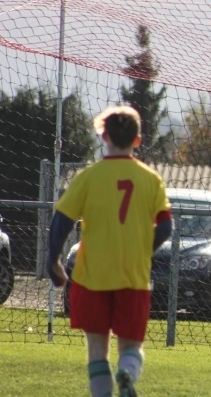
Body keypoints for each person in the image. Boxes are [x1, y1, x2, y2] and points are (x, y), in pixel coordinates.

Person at [46, 105, 174, 397]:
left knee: (96, 350)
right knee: (131, 347)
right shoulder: (151, 179)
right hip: (133, 276)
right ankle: (127, 373)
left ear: (104, 136)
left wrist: (53, 260)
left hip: (93, 277)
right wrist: (145, 251)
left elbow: (61, 220)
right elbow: (166, 228)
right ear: (137, 140)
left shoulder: (89, 177)